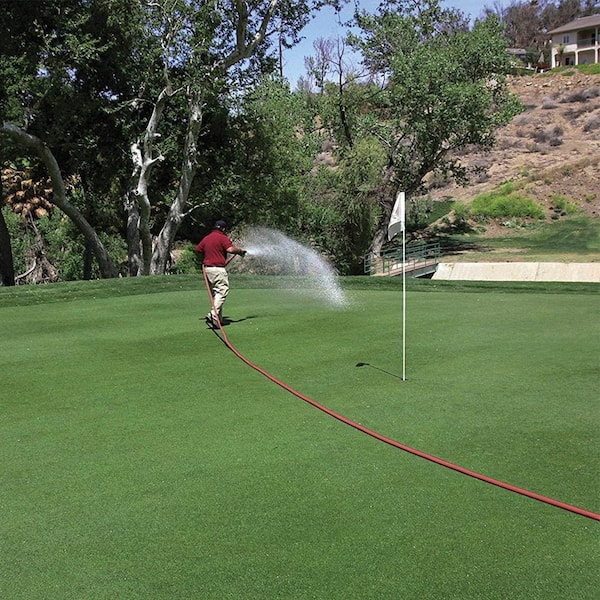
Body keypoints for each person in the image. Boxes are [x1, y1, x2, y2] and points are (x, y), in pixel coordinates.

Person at [195, 220, 246, 328]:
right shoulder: (222, 237)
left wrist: (206, 259)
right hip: (218, 270)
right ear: (223, 229)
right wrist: (240, 251)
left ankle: (218, 320)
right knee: (222, 290)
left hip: (208, 270)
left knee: (217, 294)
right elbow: (230, 249)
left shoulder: (207, 238)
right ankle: (213, 314)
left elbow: (198, 250)